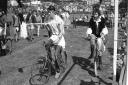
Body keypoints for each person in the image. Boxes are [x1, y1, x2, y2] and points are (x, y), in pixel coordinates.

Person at [44, 5, 67, 79]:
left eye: (50, 11)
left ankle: (58, 70)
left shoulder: (59, 20)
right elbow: (50, 31)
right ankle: (50, 60)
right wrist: (47, 26)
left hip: (60, 38)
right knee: (47, 45)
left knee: (57, 55)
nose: (48, 13)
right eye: (48, 11)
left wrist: (57, 39)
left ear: (53, 11)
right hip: (54, 36)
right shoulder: (50, 20)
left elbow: (61, 33)